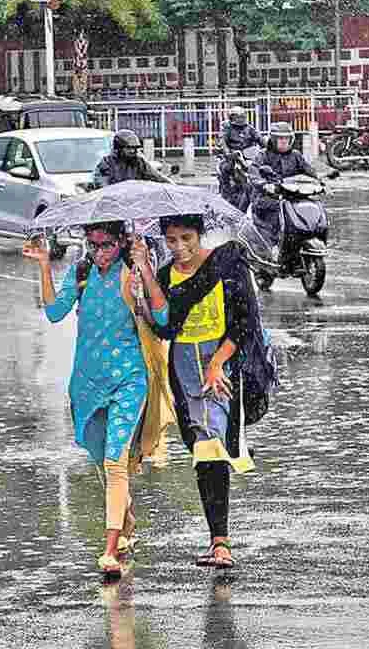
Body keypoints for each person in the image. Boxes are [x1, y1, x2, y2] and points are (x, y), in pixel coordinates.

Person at [23, 221, 174, 577]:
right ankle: (125, 518)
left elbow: (164, 317)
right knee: (100, 456)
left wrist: (146, 272)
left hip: (129, 380)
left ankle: (110, 549)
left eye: (106, 244)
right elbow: (54, 311)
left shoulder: (134, 272)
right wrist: (45, 264)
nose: (100, 251)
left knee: (114, 461)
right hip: (88, 383)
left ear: (122, 242)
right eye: (93, 244)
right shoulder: (82, 271)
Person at [147, 214, 275, 570]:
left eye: (186, 238)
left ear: (199, 234)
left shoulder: (227, 263)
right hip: (183, 370)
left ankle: (220, 542)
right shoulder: (164, 275)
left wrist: (218, 363)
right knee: (200, 447)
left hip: (221, 365)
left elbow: (243, 322)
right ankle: (217, 540)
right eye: (171, 240)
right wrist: (142, 269)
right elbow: (163, 326)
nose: (180, 248)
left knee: (211, 443)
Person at [248, 121, 318, 257]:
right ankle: (272, 245)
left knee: (309, 207)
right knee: (275, 213)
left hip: (291, 195)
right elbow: (253, 172)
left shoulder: (296, 155)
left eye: (286, 138)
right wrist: (264, 185)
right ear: (273, 139)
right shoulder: (263, 155)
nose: (284, 142)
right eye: (280, 138)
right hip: (268, 197)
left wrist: (322, 181)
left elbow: (309, 170)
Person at [89, 130, 168, 189]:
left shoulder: (139, 162)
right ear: (119, 148)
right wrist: (113, 193)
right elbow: (101, 183)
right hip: (114, 203)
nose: (133, 151)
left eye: (135, 148)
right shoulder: (107, 163)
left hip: (136, 201)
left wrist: (173, 186)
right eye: (129, 148)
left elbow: (156, 176)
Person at [217, 107, 261, 212]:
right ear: (232, 117)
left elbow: (259, 138)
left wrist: (269, 146)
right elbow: (222, 141)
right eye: (237, 117)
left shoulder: (249, 128)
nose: (240, 119)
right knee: (226, 168)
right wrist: (227, 152)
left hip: (247, 156)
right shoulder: (227, 128)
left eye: (242, 116)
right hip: (233, 156)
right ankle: (226, 191)